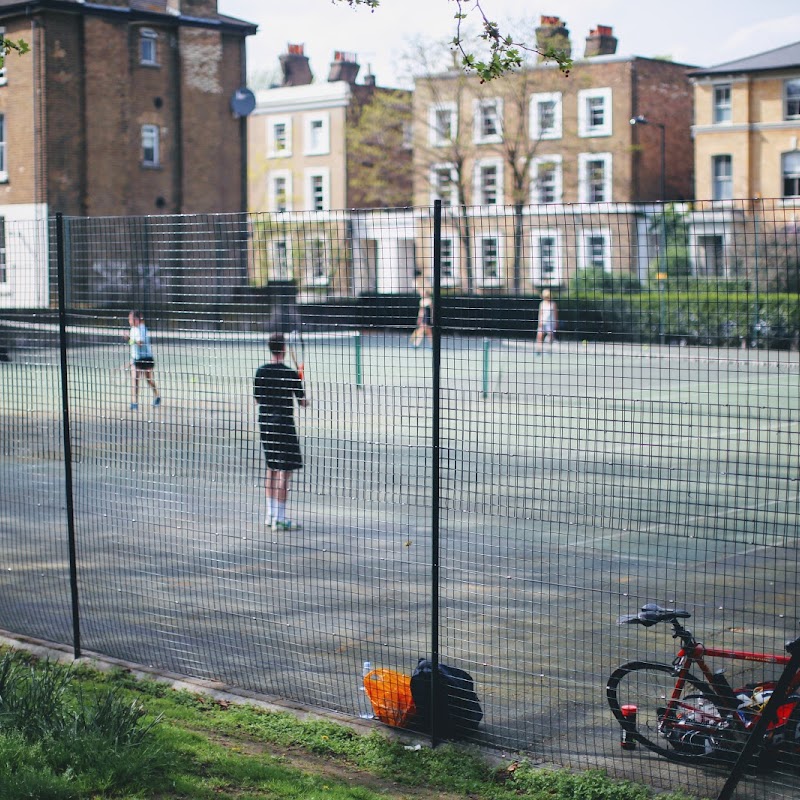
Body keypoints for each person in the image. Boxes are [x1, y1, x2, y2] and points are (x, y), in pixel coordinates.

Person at [254, 333, 308, 531]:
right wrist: (300, 381)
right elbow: (303, 403)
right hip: (284, 426)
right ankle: (280, 517)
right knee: (284, 473)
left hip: (266, 425)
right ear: (283, 349)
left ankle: (270, 515)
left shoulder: (261, 371)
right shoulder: (290, 373)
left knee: (271, 469)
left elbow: (257, 399)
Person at [126, 310, 160, 409]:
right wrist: (132, 360)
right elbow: (134, 346)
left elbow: (140, 343)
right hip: (136, 359)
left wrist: (129, 339)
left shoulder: (142, 328)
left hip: (147, 358)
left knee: (149, 380)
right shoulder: (132, 329)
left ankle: (157, 396)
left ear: (136, 319)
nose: (129, 320)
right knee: (135, 379)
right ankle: (134, 403)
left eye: (131, 318)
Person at [536, 289, 558, 353]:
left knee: (550, 337)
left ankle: (548, 350)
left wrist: (556, 323)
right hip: (543, 322)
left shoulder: (553, 304)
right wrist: (539, 322)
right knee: (539, 336)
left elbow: (555, 314)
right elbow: (540, 313)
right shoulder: (542, 303)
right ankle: (538, 350)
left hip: (550, 323)